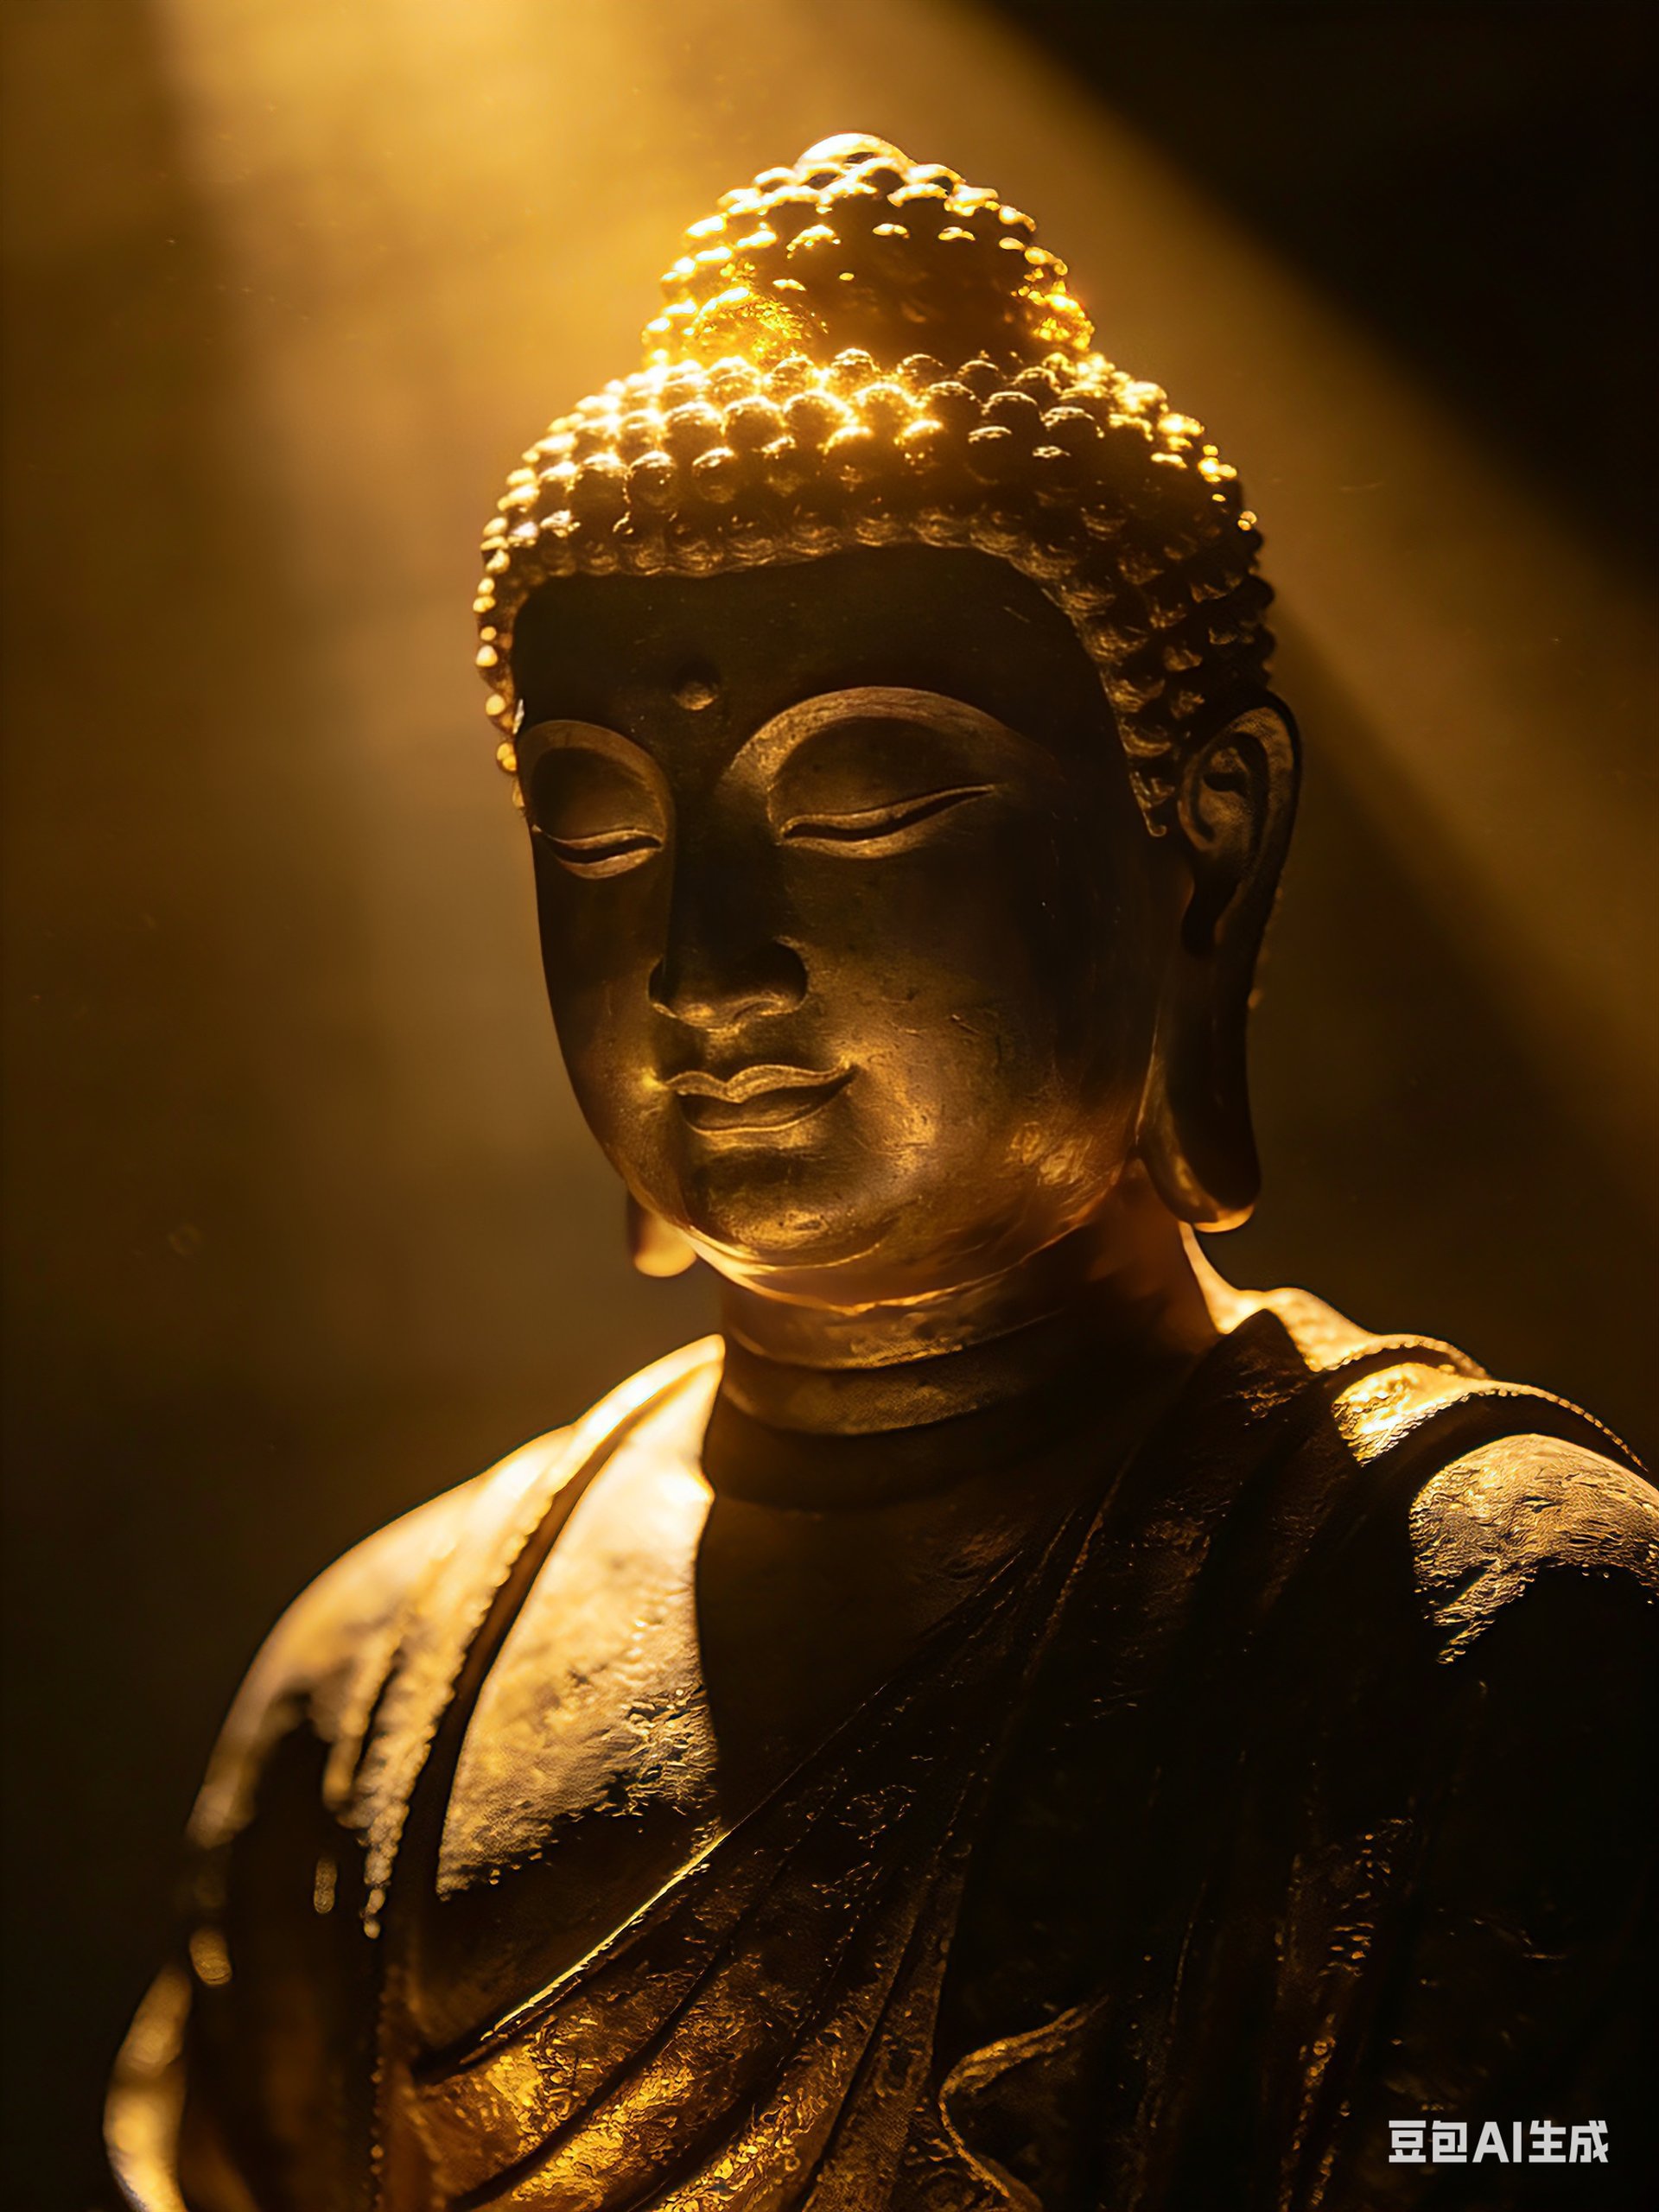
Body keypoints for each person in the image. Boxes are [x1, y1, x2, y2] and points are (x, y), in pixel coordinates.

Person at [108, 136, 1658, 2212]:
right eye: (602, 837)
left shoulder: (1485, 1623)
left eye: (863, 799)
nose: (706, 963)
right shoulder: (380, 1680)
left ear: (1204, 839)